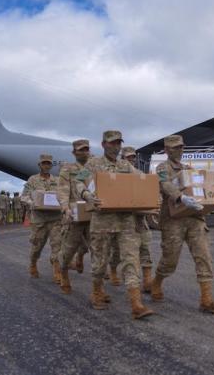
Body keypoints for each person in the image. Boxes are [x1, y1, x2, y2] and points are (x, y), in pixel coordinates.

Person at [75, 130, 154, 319]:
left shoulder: (125, 165)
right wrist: (88, 196)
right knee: (100, 261)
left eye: (119, 143)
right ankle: (97, 292)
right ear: (103, 145)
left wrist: (153, 188)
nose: (116, 146)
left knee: (130, 259)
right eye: (112, 143)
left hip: (126, 221)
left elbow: (141, 180)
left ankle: (136, 304)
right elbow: (78, 183)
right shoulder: (93, 164)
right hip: (102, 220)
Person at [150, 135, 214, 315]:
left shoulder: (188, 169)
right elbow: (164, 184)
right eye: (175, 148)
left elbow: (202, 185)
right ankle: (157, 282)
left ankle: (206, 299)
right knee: (170, 260)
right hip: (173, 220)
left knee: (203, 255)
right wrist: (180, 196)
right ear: (167, 150)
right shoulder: (162, 168)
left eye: (181, 147)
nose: (179, 151)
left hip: (194, 218)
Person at [56, 139, 92, 294]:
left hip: (92, 211)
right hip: (73, 212)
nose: (84, 152)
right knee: (69, 248)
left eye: (86, 149)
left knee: (95, 248)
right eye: (80, 150)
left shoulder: (94, 168)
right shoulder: (68, 169)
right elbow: (63, 190)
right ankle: (63, 272)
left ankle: (98, 289)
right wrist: (65, 208)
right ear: (74, 153)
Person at [21, 154, 63, 284]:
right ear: (39, 165)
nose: (46, 166)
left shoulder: (57, 180)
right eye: (44, 163)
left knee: (57, 246)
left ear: (51, 165)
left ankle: (57, 270)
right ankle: (33, 263)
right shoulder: (33, 180)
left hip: (56, 218)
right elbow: (23, 197)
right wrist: (31, 202)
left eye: (48, 163)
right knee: (37, 246)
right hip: (39, 219)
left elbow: (63, 195)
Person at [121, 146, 154, 293]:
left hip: (141, 219)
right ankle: (131, 283)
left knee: (146, 249)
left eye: (133, 157)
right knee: (129, 255)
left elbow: (150, 192)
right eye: (128, 157)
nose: (131, 160)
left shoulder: (141, 175)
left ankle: (147, 282)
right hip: (124, 221)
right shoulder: (116, 176)